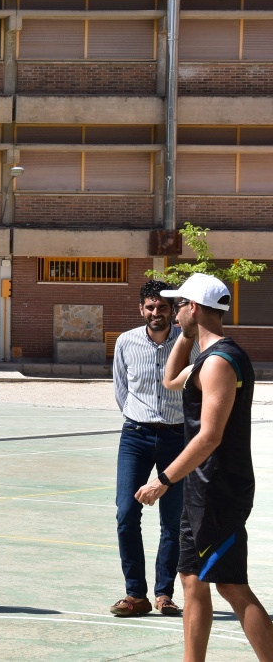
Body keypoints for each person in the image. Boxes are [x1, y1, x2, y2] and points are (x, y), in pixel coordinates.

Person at [136, 273, 273, 660]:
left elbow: (209, 436)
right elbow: (169, 380)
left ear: (193, 307)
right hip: (201, 487)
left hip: (219, 488)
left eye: (178, 305)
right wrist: (186, 334)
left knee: (230, 584)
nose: (173, 311)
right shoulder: (207, 358)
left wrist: (163, 480)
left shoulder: (219, 363)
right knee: (191, 579)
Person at [110, 280, 187, 617]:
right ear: (141, 309)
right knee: (126, 514)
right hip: (136, 436)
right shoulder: (126, 342)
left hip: (177, 438)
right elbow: (121, 389)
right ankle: (135, 594)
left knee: (173, 520)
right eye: (150, 307)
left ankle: (164, 593)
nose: (156, 313)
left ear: (172, 310)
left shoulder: (188, 342)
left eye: (162, 307)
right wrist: (137, 416)